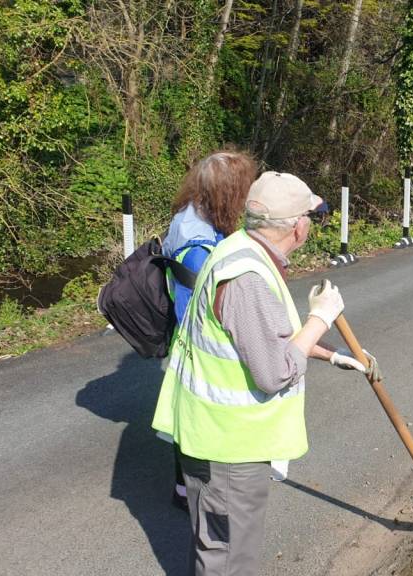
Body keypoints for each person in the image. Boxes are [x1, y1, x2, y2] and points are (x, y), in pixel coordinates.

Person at [152, 171, 379, 576]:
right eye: (309, 217)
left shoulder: (238, 248)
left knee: (215, 550)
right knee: (229, 559)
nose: (310, 225)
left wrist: (332, 355)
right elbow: (274, 372)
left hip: (213, 440)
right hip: (228, 451)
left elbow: (262, 339)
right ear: (297, 227)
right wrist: (320, 318)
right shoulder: (248, 279)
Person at [162, 150, 258, 511]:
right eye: (244, 190)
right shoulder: (198, 246)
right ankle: (191, 490)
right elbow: (198, 312)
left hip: (182, 330)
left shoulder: (191, 213)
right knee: (196, 412)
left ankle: (184, 486)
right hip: (194, 339)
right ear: (228, 193)